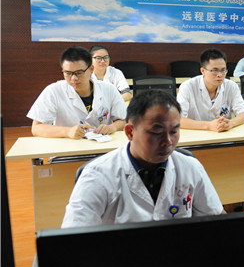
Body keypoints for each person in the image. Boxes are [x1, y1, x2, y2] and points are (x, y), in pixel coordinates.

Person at [61, 90, 224, 227]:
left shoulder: (190, 167)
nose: (168, 141)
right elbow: (73, 236)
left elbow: (216, 218)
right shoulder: (97, 175)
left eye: (174, 132)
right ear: (130, 132)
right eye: (157, 132)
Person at [27, 45, 126, 139]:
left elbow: (123, 120)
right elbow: (36, 128)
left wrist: (112, 127)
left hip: (103, 146)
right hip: (67, 148)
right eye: (68, 73)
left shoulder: (109, 89)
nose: (73, 78)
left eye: (79, 73)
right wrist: (68, 131)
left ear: (91, 69)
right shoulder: (53, 91)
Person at [177, 48, 244, 132]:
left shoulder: (231, 86)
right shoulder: (187, 87)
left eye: (223, 70)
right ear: (203, 71)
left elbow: (243, 114)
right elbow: (178, 119)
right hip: (196, 134)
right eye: (215, 70)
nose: (220, 75)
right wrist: (209, 126)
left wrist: (230, 123)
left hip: (223, 134)